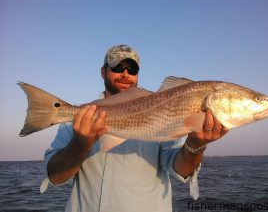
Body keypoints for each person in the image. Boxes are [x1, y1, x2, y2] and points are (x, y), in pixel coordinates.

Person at [42, 44, 229, 212]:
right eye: (117, 67)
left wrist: (195, 144)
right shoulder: (78, 119)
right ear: (103, 72)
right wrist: (81, 143)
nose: (125, 74)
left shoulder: (164, 114)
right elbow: (56, 176)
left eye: (132, 69)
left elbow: (181, 170)